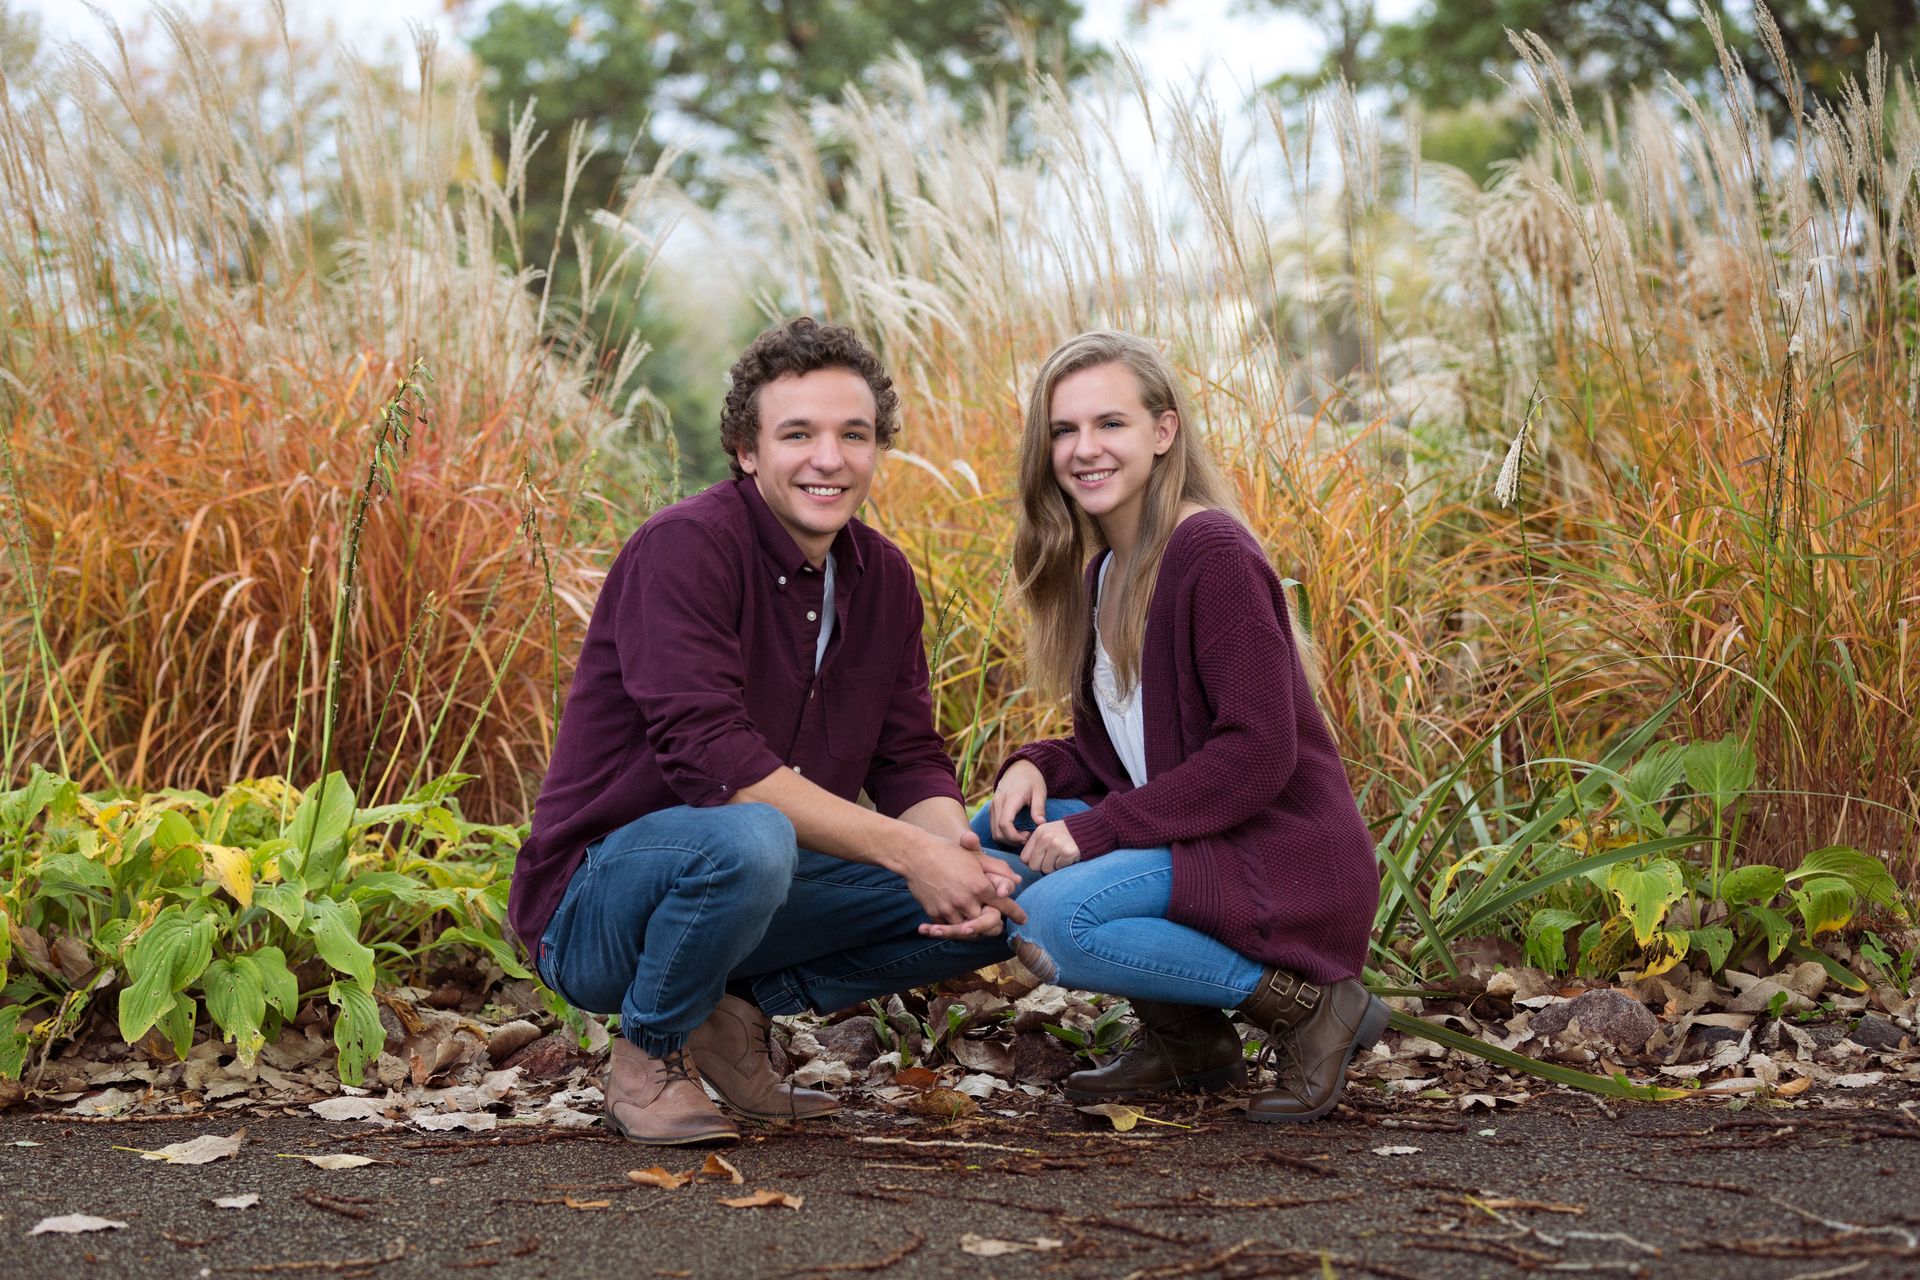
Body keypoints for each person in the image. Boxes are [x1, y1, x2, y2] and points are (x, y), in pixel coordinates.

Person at [508, 317, 1026, 1146]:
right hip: (597, 903)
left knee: (999, 897)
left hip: (756, 880)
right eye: (799, 434)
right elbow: (716, 759)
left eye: (853, 434)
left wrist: (951, 857)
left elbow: (908, 756)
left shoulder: (883, 577)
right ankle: (647, 1054)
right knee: (750, 835)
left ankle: (731, 1012)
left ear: (876, 448)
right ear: (748, 451)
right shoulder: (686, 549)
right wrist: (906, 852)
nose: (830, 458)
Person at [942, 329, 1384, 1123]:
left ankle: (1308, 1006)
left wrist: (1099, 830)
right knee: (998, 833)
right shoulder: (1102, 571)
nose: (1085, 449)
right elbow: (1126, 748)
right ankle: (1188, 1040)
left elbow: (1256, 754)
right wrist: (1036, 764)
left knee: (1056, 922)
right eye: (1063, 430)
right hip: (1192, 830)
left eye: (1110, 424)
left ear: (1163, 431)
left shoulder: (1209, 550)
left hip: (1275, 848)